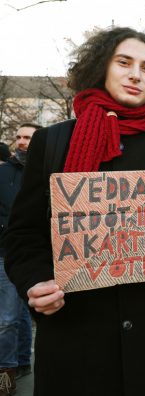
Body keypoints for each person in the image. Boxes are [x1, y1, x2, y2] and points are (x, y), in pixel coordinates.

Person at [4, 27, 145, 396]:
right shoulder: (53, 142)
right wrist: (35, 281)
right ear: (102, 67)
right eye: (124, 62)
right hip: (77, 336)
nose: (136, 74)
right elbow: (24, 233)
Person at [0, 122, 41, 396]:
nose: (22, 141)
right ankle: (7, 376)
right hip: (4, 253)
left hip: (36, 254)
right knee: (8, 317)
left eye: (29, 137)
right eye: (19, 137)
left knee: (16, 315)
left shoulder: (48, 171)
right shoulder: (3, 173)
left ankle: (20, 362)